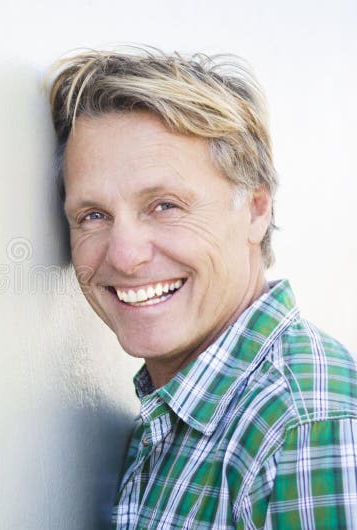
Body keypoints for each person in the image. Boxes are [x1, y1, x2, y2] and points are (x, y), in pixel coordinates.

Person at [48, 48, 357, 529]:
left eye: (165, 205)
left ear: (256, 211)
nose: (124, 255)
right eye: (93, 216)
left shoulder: (304, 428)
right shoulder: (174, 414)